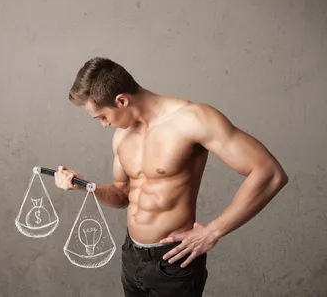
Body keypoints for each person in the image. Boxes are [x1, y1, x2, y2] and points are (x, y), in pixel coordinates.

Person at [53, 57, 288, 297]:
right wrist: (83, 185)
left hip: (174, 264)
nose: (103, 124)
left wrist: (213, 232)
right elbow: (122, 195)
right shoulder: (122, 136)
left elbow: (269, 173)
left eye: (102, 116)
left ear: (121, 100)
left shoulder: (193, 119)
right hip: (132, 258)